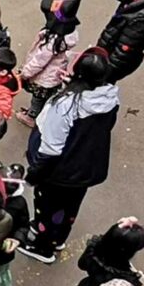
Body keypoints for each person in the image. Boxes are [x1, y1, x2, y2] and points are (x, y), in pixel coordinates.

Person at [20, 48, 122, 260]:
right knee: (69, 208)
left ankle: (42, 247)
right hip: (85, 168)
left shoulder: (66, 105)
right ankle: (58, 239)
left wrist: (34, 173)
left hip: (59, 171)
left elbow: (51, 147)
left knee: (46, 207)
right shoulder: (109, 98)